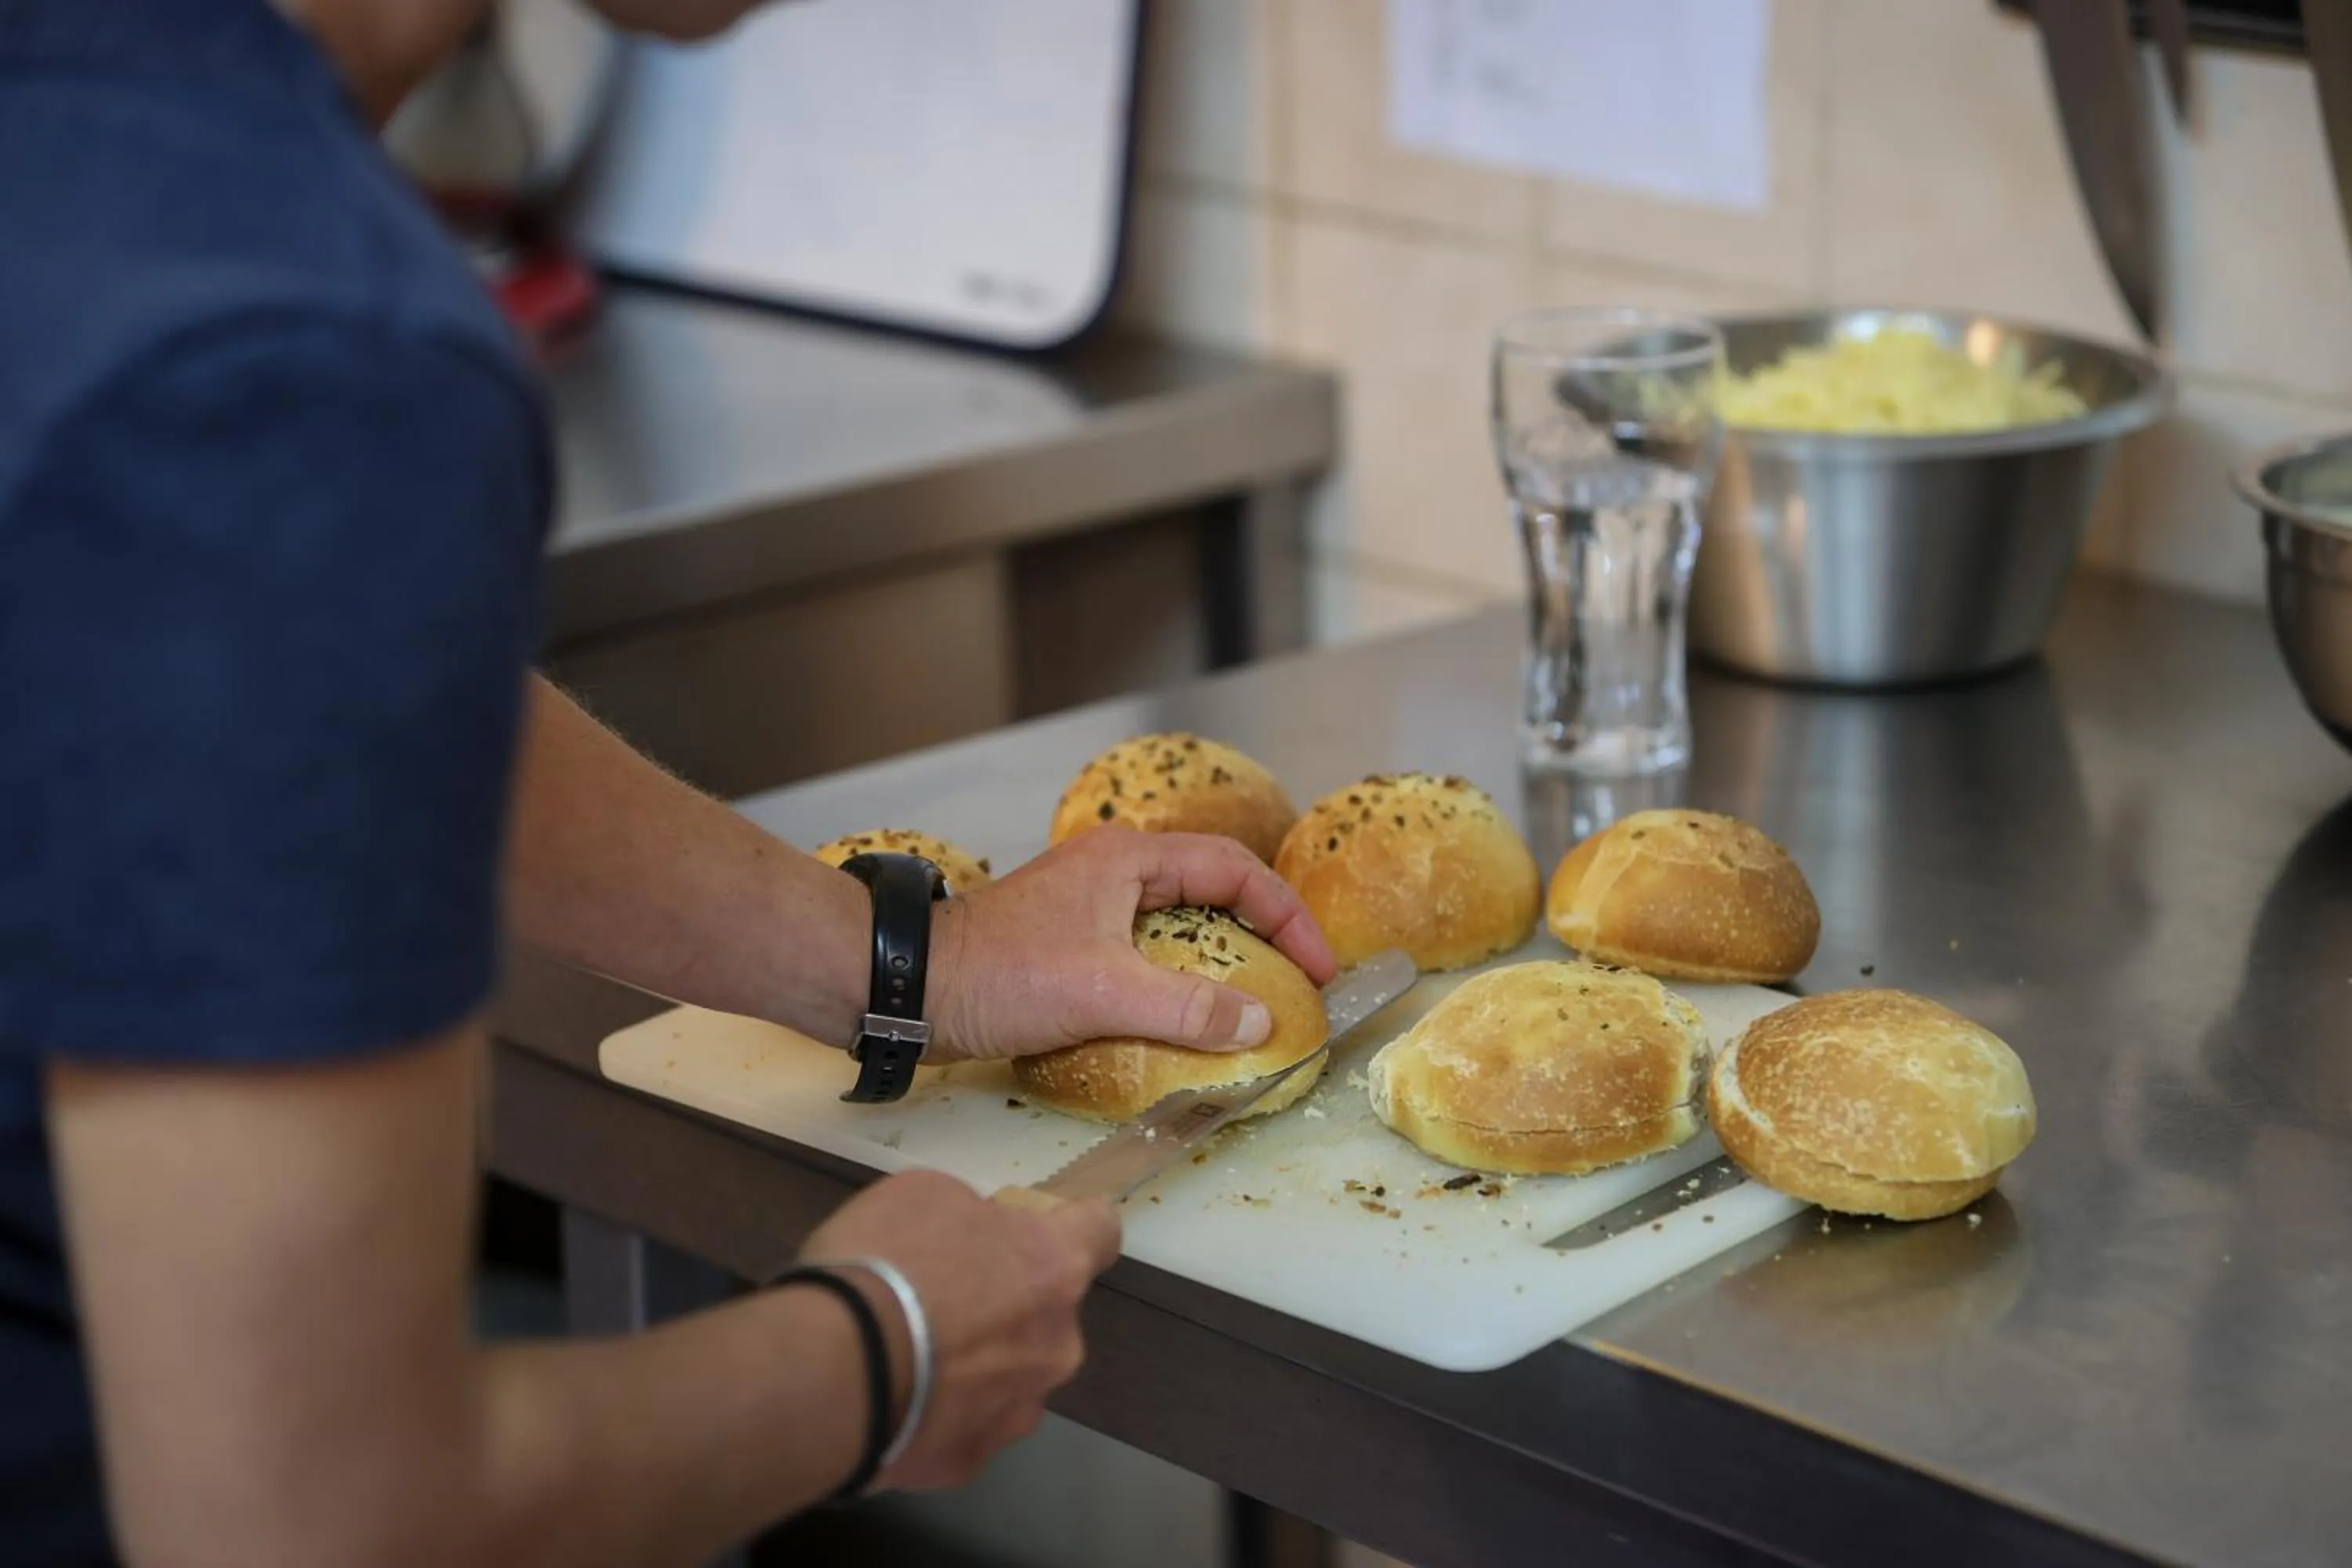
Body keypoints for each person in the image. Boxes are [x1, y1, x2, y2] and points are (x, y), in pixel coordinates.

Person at [0, 1, 1338, 1563]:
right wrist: (882, 1351)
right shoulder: (290, 352)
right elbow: (314, 1528)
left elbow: (249, 665)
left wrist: (912, 960)